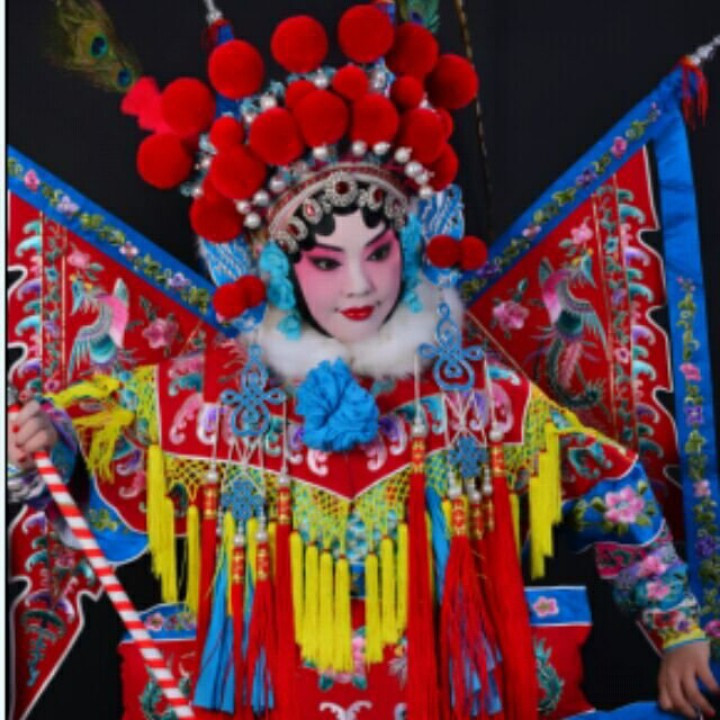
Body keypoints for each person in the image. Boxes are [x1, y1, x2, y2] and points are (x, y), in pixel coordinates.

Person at [8, 4, 719, 718]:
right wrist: (44, 441)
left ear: (407, 251)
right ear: (280, 272)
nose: (359, 285)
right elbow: (80, 440)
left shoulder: (475, 391)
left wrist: (680, 632)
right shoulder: (207, 393)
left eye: (378, 253)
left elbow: (608, 483)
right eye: (326, 261)